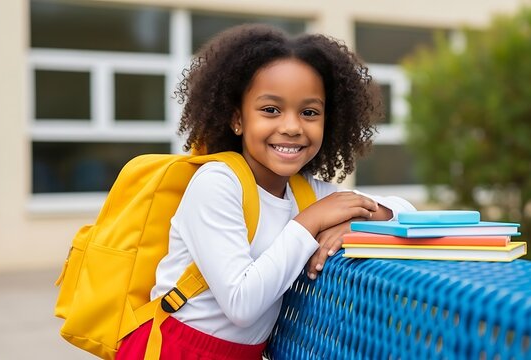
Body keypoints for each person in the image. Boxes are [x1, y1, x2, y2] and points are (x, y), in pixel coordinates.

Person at [116, 24, 416, 359]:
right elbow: (242, 304)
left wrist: (360, 220)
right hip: (177, 348)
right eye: (270, 109)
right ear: (237, 119)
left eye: (309, 112)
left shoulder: (304, 192)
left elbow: (406, 211)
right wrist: (311, 222)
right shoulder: (217, 183)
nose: (291, 126)